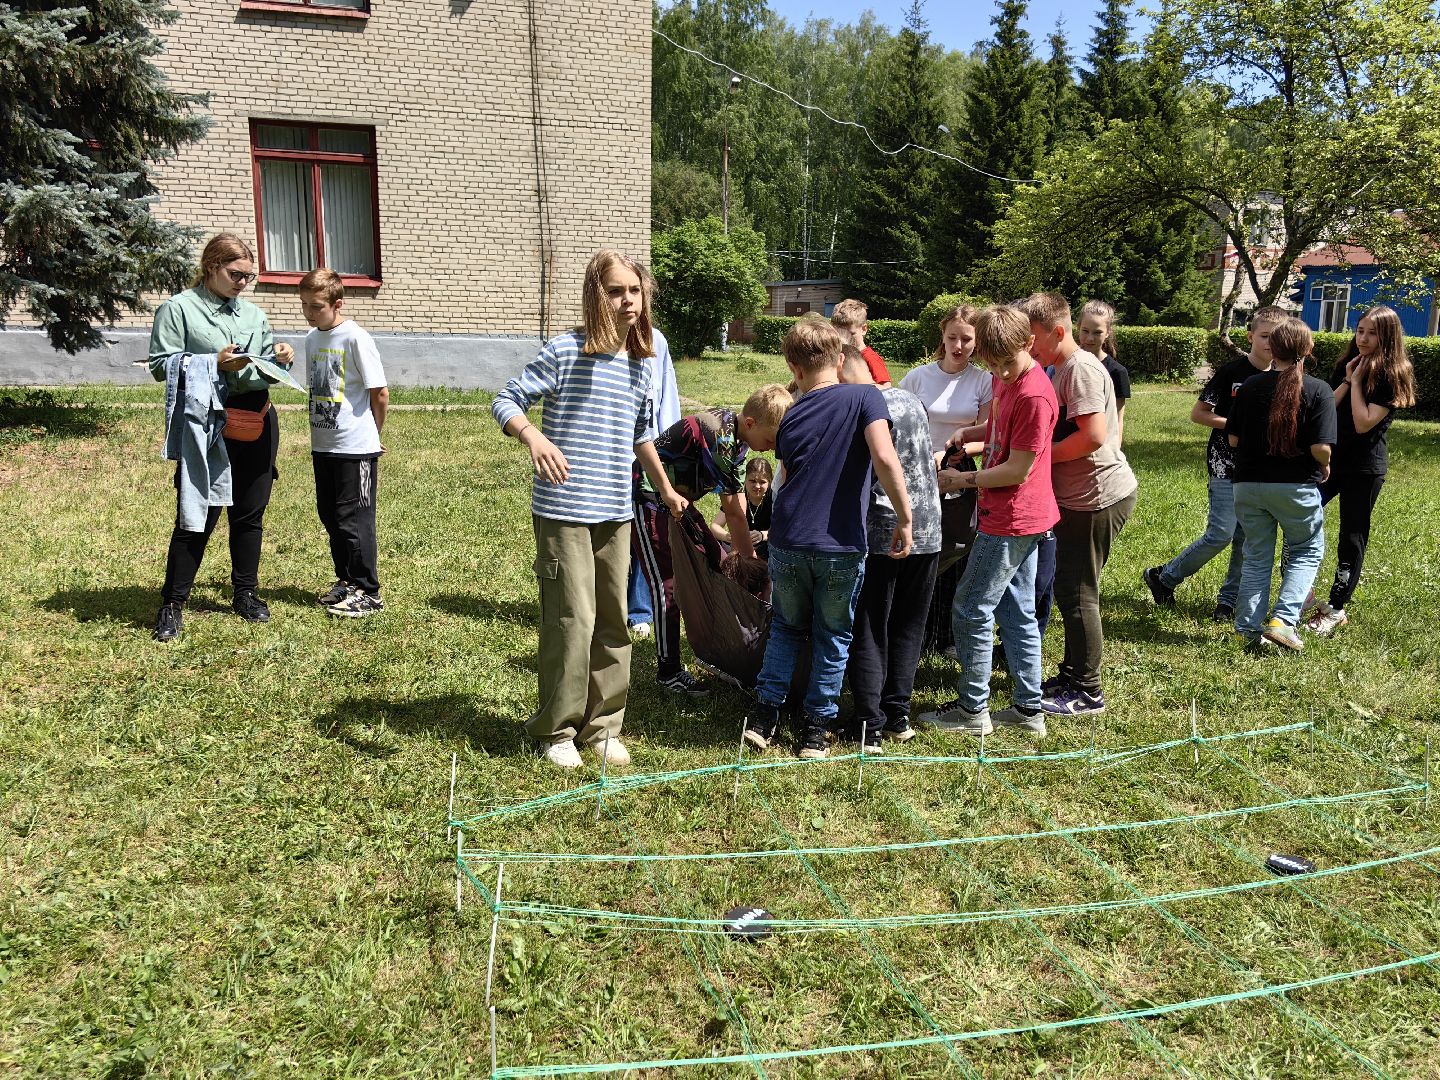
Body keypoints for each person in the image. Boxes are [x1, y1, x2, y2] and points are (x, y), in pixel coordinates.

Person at [491, 250, 687, 770]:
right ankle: (556, 729)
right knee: (572, 619)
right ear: (596, 295)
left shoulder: (643, 362)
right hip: (564, 510)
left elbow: (642, 433)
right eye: (617, 291)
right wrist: (532, 436)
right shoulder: (564, 351)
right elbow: (506, 400)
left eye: (635, 292)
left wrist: (664, 487)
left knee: (613, 620)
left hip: (615, 510)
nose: (628, 301)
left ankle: (602, 727)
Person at [744, 319, 912, 758]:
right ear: (840, 359)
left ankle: (764, 718)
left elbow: (787, 476)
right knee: (833, 634)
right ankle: (816, 731)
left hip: (789, 539)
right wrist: (905, 517)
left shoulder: (791, 413)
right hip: (840, 543)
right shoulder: (865, 396)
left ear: (793, 367)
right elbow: (884, 457)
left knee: (786, 626)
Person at [148, 233, 296, 642]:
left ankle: (245, 593)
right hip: (208, 424)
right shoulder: (179, 309)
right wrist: (212, 361)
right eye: (236, 274)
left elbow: (264, 364)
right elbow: (161, 365)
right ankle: (172, 604)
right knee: (198, 514)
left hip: (257, 419)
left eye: (249, 277)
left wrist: (280, 357)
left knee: (249, 514)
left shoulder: (253, 314)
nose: (242, 283)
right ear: (212, 266)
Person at [919, 305, 1059, 738]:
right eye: (991, 364)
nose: (999, 371)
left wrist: (963, 477)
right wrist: (971, 434)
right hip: (1013, 515)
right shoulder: (1005, 378)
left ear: (1029, 344)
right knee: (1016, 611)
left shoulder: (1035, 394)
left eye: (1006, 362)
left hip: (1014, 518)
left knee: (970, 606)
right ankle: (1028, 710)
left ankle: (971, 709)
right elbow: (999, 426)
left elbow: (1017, 469)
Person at [632, 385, 791, 696]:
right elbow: (733, 511)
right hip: (649, 500)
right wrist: (751, 564)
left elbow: (738, 506)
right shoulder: (720, 435)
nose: (772, 449)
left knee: (711, 564)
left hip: (679, 505)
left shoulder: (740, 441)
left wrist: (747, 562)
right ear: (751, 423)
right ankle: (668, 672)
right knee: (666, 585)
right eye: (771, 440)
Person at [1023, 292, 1138, 717]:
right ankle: (1072, 673)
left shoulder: (1080, 369)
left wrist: (1033, 457)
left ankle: (1087, 691)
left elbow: (1092, 436)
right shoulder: (1059, 366)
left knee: (1078, 593)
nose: (1027, 347)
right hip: (1078, 496)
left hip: (1098, 497)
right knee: (1070, 587)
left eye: (1031, 337)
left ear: (1056, 331)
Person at [1143, 306, 1283, 622]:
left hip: (1259, 469)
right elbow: (1199, 414)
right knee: (1221, 532)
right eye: (1264, 337)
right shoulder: (1232, 373)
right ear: (1250, 337)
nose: (1270, 344)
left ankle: (1227, 603)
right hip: (1225, 465)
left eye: (1276, 338)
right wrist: (1234, 426)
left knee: (1245, 540)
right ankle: (1164, 577)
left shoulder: (1283, 376)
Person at [839, 346, 942, 750]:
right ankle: (898, 714)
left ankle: (868, 722)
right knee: (908, 625)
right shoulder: (910, 398)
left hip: (885, 529)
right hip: (929, 526)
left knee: (869, 624)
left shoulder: (862, 407)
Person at [1304, 306, 1416, 636]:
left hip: (1364, 468)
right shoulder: (1349, 362)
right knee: (1298, 516)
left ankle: (1336, 609)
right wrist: (1347, 379)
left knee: (1351, 538)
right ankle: (1303, 592)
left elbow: (1363, 421)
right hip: (1331, 461)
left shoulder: (1392, 373)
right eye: (1360, 330)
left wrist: (1355, 383)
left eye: (1371, 332)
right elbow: (1325, 406)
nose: (1363, 338)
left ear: (1387, 337)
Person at [1228, 317, 1337, 651]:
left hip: (1246, 485)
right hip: (1294, 487)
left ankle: (1247, 629)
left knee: (1257, 555)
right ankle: (1283, 622)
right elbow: (1320, 447)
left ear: (1271, 348)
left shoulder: (1248, 387)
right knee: (1306, 550)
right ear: (1308, 349)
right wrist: (1326, 464)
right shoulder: (1319, 390)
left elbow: (1233, 440)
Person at [899, 304, 992, 654]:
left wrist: (956, 450)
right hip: (919, 474)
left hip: (960, 472)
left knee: (957, 551)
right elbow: (899, 424)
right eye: (952, 337)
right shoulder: (918, 377)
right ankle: (917, 633)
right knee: (923, 552)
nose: (958, 345)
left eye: (966, 339)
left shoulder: (984, 381)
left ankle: (949, 636)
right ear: (942, 335)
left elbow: (989, 436)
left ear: (976, 341)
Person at [298, 268, 389, 617]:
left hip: (355, 446)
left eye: (316, 306)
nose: (309, 312)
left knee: (355, 518)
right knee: (331, 516)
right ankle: (347, 581)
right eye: (304, 305)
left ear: (337, 304)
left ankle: (369, 591)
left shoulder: (355, 337)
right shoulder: (312, 338)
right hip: (324, 443)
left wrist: (373, 434)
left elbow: (379, 393)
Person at [626, 287, 682, 640]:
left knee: (647, 533)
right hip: (614, 458)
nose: (629, 300)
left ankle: (640, 609)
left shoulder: (656, 341)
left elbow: (666, 396)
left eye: (636, 292)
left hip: (649, 453)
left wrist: (667, 450)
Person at [1075, 300, 1132, 443]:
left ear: (1108, 333)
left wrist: (1115, 449)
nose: (1090, 338)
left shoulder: (1117, 372)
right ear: (1078, 327)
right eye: (1085, 331)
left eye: (1097, 332)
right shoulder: (1067, 365)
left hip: (1101, 447)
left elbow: (1118, 417)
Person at [711, 456, 774, 560]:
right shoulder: (739, 496)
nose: (757, 486)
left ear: (769, 482)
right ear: (745, 479)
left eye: (762, 482)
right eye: (752, 481)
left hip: (766, 544)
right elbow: (715, 526)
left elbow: (784, 529)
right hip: (740, 544)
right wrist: (727, 536)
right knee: (712, 543)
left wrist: (763, 535)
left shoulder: (774, 497)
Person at [831, 298, 892, 388]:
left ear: (863, 329)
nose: (844, 338)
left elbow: (886, 389)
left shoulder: (870, 358)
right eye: (838, 334)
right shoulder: (835, 356)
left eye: (851, 334)